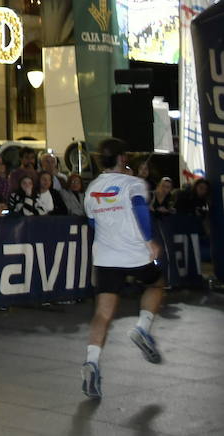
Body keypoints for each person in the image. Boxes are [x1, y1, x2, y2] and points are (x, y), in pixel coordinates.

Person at [80, 136, 166, 399]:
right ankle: (142, 328)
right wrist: (150, 240)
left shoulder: (91, 189)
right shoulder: (133, 183)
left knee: (103, 314)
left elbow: (94, 224)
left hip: (106, 258)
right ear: (122, 158)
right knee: (156, 283)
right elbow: (141, 210)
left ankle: (92, 362)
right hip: (135, 253)